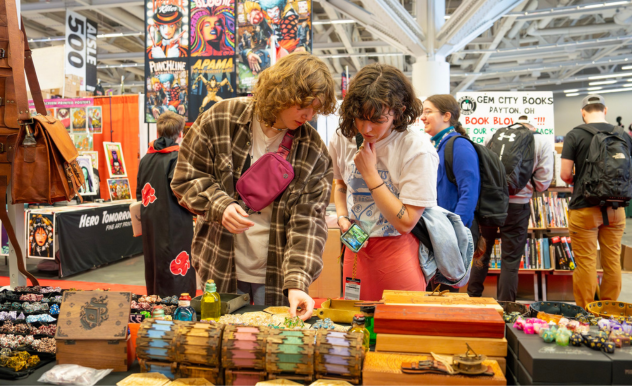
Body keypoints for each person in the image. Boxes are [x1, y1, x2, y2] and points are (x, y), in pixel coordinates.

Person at [171, 52, 336, 320]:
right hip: (219, 264)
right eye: (303, 104)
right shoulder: (220, 118)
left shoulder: (313, 150)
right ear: (281, 93)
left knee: (268, 351)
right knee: (218, 345)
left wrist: (297, 281)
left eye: (316, 108)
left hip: (277, 274)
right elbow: (186, 177)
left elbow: (308, 221)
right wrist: (219, 205)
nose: (309, 115)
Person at [329, 63, 438, 301]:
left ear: (399, 111)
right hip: (355, 247)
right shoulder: (343, 137)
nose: (366, 128)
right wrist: (342, 217)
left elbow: (407, 222)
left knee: (401, 330)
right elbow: (340, 185)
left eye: (377, 120)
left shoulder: (416, 149)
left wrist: (370, 174)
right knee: (355, 326)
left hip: (398, 251)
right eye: (359, 118)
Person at [468, 115, 553, 301]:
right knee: (510, 261)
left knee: (481, 252)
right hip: (517, 207)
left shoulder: (493, 135)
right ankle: (505, 309)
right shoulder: (541, 140)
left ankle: (472, 299)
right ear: (532, 126)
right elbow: (542, 184)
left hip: (489, 203)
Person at [561, 95, 632, 308]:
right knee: (612, 262)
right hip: (616, 208)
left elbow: (565, 174)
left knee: (586, 263)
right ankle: (609, 310)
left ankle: (587, 312)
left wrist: (580, 180)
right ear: (605, 110)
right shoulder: (623, 135)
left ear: (583, 112)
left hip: (584, 208)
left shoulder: (575, 135)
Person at [421, 94, 481, 291]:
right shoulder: (439, 146)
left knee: (445, 294)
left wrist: (455, 231)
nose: (422, 117)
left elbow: (469, 192)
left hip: (450, 234)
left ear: (446, 116)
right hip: (438, 231)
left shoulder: (459, 145)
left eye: (428, 112)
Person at [137, 111, 196, 297]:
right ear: (180, 133)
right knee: (177, 264)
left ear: (158, 132)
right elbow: (183, 192)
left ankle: (155, 302)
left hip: (151, 221)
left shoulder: (146, 158)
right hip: (174, 221)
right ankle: (179, 305)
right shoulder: (178, 157)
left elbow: (140, 189)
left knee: (154, 261)